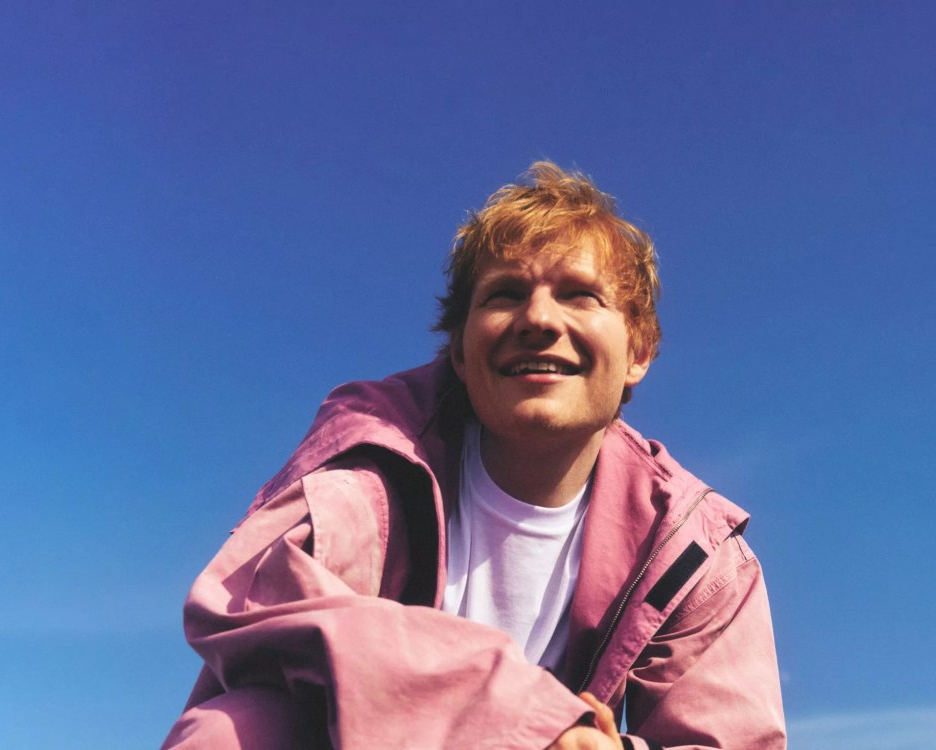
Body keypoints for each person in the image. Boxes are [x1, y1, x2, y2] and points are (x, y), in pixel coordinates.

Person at [162, 162, 787, 749]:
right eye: (505, 294)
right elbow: (251, 598)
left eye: (579, 295)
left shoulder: (694, 552)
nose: (538, 318)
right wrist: (533, 723)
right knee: (236, 726)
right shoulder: (372, 450)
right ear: (459, 353)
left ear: (639, 352)